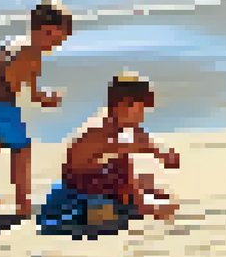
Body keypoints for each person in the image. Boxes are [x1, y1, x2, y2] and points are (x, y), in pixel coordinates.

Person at [39, 74, 180, 235]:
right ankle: (119, 211)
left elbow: (141, 139)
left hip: (93, 182)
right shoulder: (100, 133)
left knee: (147, 180)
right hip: (76, 199)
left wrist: (161, 152)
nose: (143, 115)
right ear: (124, 105)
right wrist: (147, 207)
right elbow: (128, 168)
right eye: (142, 108)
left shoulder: (115, 121)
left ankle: (129, 204)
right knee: (161, 203)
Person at [0, 0, 69, 217]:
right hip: (1, 103)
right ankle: (22, 203)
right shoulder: (33, 54)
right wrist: (49, 99)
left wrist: (41, 95)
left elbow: (5, 73)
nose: (56, 46)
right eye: (57, 40)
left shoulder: (14, 42)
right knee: (21, 150)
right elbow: (33, 94)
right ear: (47, 30)